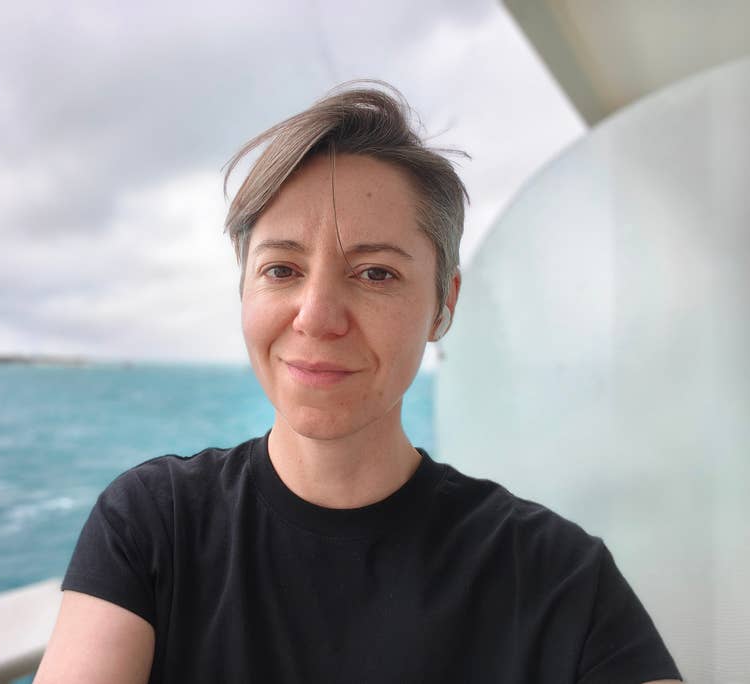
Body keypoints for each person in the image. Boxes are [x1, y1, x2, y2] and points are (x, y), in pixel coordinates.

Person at [35, 84, 681, 683]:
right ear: (244, 289)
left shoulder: (556, 579)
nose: (316, 315)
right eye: (282, 269)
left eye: (375, 274)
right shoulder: (153, 527)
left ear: (442, 305)